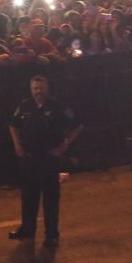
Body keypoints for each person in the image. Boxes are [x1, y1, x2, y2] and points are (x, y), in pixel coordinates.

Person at [8, 75, 82, 247]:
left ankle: (51, 235)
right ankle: (27, 230)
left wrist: (64, 145)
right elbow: (12, 125)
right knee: (28, 197)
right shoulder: (25, 105)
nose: (38, 92)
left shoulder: (57, 106)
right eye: (35, 88)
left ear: (47, 88)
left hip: (49, 159)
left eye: (41, 88)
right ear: (30, 89)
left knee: (50, 198)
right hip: (29, 158)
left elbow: (77, 125)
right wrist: (17, 145)